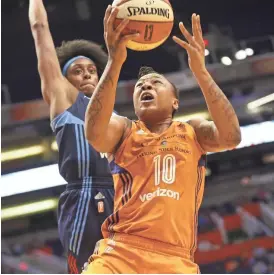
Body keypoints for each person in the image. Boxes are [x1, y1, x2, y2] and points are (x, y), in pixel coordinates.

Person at [83, 6, 241, 274]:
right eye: (139, 86)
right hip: (121, 252)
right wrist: (115, 61)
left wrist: (201, 73)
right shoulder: (124, 130)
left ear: (175, 101)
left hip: (175, 259)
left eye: (156, 83)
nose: (145, 86)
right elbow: (95, 133)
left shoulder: (192, 131)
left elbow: (231, 136)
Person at [29, 1, 115, 273]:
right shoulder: (64, 98)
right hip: (85, 196)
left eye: (92, 70)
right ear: (63, 80)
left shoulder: (113, 116)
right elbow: (39, 28)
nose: (88, 74)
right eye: (78, 70)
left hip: (120, 195)